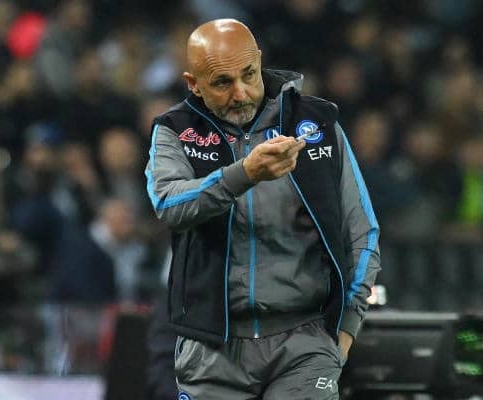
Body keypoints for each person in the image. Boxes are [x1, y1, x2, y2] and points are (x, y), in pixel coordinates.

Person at [144, 19, 380, 399]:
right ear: (193, 83)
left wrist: (346, 328)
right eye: (222, 82)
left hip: (305, 343)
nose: (240, 93)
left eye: (248, 74)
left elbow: (362, 231)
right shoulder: (174, 130)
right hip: (212, 349)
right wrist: (245, 174)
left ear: (259, 60)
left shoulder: (316, 124)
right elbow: (169, 204)